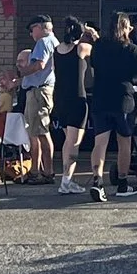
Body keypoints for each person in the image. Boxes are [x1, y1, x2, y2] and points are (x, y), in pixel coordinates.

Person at [81, 14, 137, 200]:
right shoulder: (132, 49)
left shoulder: (98, 48)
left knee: (99, 142)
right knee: (124, 142)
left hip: (101, 97)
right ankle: (123, 184)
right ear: (125, 28)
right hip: (123, 99)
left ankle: (97, 181)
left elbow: (93, 72)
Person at [51, 19, 93, 195]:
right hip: (76, 98)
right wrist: (93, 34)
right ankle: (66, 180)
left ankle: (68, 178)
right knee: (73, 142)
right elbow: (99, 51)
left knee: (69, 139)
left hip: (60, 97)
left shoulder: (57, 50)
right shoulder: (81, 48)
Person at [14, 17, 58, 182]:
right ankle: (35, 170)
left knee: (41, 132)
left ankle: (47, 172)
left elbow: (39, 65)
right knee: (36, 132)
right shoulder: (54, 42)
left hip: (39, 92)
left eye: (32, 29)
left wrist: (20, 73)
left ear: (39, 27)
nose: (31, 34)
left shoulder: (43, 42)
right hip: (42, 91)